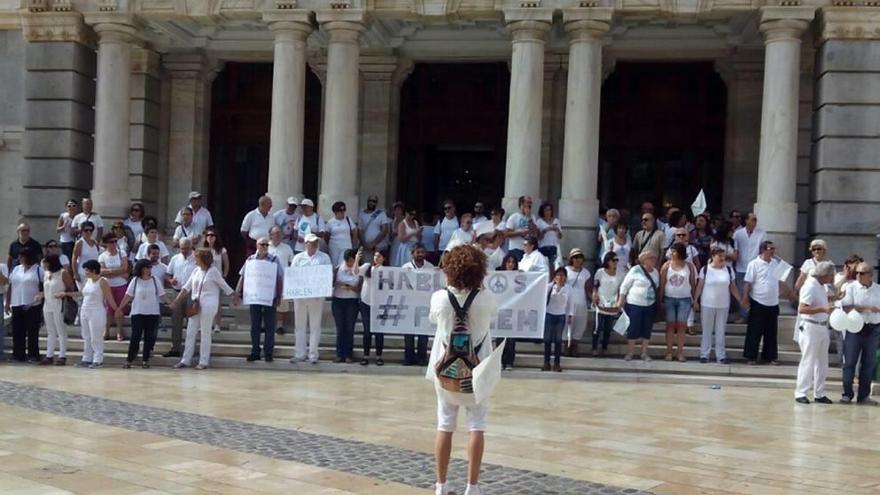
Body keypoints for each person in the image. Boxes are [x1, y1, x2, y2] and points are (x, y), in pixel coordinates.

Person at [428, 245, 497, 495]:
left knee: (445, 424)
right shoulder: (486, 298)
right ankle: (472, 486)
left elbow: (433, 319)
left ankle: (441, 484)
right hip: (478, 369)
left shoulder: (439, 298)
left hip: (445, 369)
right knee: (477, 424)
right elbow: (493, 315)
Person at [172, 249, 234, 370]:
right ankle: (186, 360)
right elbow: (186, 287)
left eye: (196, 257)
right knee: (190, 332)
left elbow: (224, 285)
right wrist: (177, 301)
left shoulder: (214, 271)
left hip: (209, 305)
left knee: (205, 333)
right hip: (196, 304)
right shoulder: (196, 271)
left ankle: (203, 361)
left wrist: (234, 296)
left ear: (203, 259)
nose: (194, 259)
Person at [742, 240, 796, 365]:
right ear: (763, 250)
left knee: (771, 332)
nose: (773, 251)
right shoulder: (754, 264)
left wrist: (790, 294)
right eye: (770, 248)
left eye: (773, 248)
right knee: (754, 330)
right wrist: (745, 297)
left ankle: (770, 356)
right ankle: (751, 356)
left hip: (773, 302)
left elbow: (780, 281)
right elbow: (748, 282)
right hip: (758, 300)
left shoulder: (775, 263)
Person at [234, 238, 283, 363]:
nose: (265, 246)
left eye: (267, 244)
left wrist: (280, 295)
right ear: (257, 245)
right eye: (262, 244)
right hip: (254, 297)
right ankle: (255, 351)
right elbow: (243, 276)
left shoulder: (274, 259)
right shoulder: (250, 260)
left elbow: (279, 278)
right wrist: (237, 292)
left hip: (269, 297)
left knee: (269, 326)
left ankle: (268, 353)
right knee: (255, 326)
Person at [794, 261, 836, 404]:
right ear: (824, 275)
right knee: (808, 361)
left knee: (822, 362)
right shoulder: (810, 286)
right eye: (831, 276)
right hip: (810, 327)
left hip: (822, 326)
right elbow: (802, 309)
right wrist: (823, 309)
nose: (832, 279)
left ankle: (820, 393)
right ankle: (801, 392)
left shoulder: (821, 285)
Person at [839, 262, 880, 405]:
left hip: (873, 328)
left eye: (861, 273)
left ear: (870, 275)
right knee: (849, 362)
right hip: (855, 328)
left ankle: (863, 396)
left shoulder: (878, 289)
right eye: (856, 272)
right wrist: (867, 308)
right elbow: (846, 306)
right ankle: (847, 394)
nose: (857, 275)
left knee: (868, 363)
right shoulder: (851, 287)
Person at [116, 259, 167, 369]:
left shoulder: (155, 280)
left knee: (149, 337)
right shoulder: (135, 280)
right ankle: (129, 359)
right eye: (147, 267)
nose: (149, 269)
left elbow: (162, 294)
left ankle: (145, 359)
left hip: (152, 312)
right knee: (135, 336)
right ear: (142, 268)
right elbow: (128, 295)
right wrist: (120, 308)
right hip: (137, 312)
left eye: (150, 267)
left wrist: (171, 303)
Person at [694, 247, 741, 364]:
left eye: (723, 256)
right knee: (707, 330)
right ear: (713, 256)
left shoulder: (729, 270)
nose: (722, 258)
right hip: (707, 303)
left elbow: (733, 287)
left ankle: (721, 355)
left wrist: (740, 300)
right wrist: (695, 300)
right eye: (719, 256)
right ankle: (704, 354)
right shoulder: (705, 269)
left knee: (720, 330)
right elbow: (700, 286)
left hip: (723, 304)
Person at [291, 233, 332, 364]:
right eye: (310, 242)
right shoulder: (298, 258)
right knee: (299, 326)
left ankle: (313, 355)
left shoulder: (324, 258)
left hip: (316, 297)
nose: (313, 244)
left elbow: (327, 276)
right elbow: (293, 276)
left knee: (315, 326)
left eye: (315, 242)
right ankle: (300, 354)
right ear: (305, 244)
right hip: (300, 296)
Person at [71, 259, 119, 368]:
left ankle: (98, 360)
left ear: (94, 270)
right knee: (86, 336)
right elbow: (82, 294)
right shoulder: (87, 281)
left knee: (95, 337)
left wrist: (117, 309)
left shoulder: (103, 281)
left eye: (87, 270)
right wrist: (67, 294)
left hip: (97, 311)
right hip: (84, 310)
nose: (85, 272)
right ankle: (86, 358)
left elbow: (109, 297)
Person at [618, 251, 660, 361]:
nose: (653, 260)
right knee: (633, 328)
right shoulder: (635, 270)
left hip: (650, 304)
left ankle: (644, 352)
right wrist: (621, 300)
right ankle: (630, 352)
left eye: (654, 258)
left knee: (647, 329)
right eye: (651, 258)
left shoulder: (655, 272)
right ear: (644, 260)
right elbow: (625, 285)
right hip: (634, 303)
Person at [659, 243, 696, 362]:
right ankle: (669, 352)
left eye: (674, 251)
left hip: (684, 299)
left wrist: (695, 300)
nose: (671, 254)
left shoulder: (689, 266)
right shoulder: (666, 266)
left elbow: (693, 284)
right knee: (670, 326)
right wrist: (660, 299)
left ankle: (680, 352)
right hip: (669, 298)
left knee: (681, 326)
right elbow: (662, 283)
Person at [6, 248, 43, 362]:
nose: (20, 258)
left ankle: (33, 355)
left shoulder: (38, 270)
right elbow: (10, 285)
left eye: (22, 256)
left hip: (32, 304)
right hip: (17, 303)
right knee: (17, 331)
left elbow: (44, 285)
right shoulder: (17, 269)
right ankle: (18, 355)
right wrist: (8, 302)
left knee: (32, 331)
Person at [162, 238, 197, 358]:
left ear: (191, 246)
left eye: (186, 248)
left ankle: (190, 349)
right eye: (182, 248)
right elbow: (167, 274)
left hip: (191, 293)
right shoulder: (175, 258)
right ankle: (175, 348)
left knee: (191, 323)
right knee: (176, 322)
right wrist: (171, 280)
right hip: (177, 292)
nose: (184, 251)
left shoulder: (197, 258)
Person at [402, 244, 435, 365]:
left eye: (422, 252)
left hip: (424, 303)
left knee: (423, 332)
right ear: (413, 253)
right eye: (418, 252)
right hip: (410, 303)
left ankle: (422, 357)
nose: (420, 254)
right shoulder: (405, 267)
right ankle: (408, 357)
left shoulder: (430, 267)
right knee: (408, 332)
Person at [39, 254, 73, 365]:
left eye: (46, 263)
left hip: (59, 304)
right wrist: (41, 295)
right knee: (50, 331)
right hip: (48, 304)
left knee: (61, 330)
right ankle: (49, 355)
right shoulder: (46, 274)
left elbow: (71, 288)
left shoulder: (63, 273)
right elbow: (45, 289)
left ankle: (62, 355)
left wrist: (64, 294)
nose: (44, 265)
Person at [733, 212, 766, 322]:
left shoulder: (762, 234)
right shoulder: (738, 234)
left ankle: (754, 316)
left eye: (756, 220)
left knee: (755, 292)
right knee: (742, 293)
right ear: (746, 220)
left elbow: (763, 249)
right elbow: (735, 249)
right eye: (753, 219)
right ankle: (743, 315)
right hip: (741, 267)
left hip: (756, 267)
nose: (755, 222)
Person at [592, 252, 625, 357]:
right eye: (613, 260)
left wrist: (620, 302)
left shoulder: (620, 274)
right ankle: (594, 348)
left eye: (617, 260)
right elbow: (595, 286)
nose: (615, 262)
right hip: (601, 301)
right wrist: (594, 296)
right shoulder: (600, 272)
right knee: (598, 327)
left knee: (608, 328)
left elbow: (621, 289)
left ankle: (604, 347)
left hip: (612, 302)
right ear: (607, 261)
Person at [98, 233, 130, 341]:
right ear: (106, 243)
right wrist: (117, 271)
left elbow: (124, 268)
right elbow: (101, 271)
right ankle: (106, 330)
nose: (114, 244)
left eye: (116, 241)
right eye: (112, 242)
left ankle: (119, 331)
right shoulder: (102, 256)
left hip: (121, 285)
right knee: (108, 309)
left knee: (119, 307)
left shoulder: (122, 253)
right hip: (108, 285)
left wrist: (110, 272)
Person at [331, 249, 361, 363]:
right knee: (340, 328)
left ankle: (348, 354)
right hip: (338, 300)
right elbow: (332, 283)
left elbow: (359, 287)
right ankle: (339, 354)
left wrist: (351, 287)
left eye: (352, 260)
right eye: (348, 261)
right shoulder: (338, 269)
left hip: (352, 301)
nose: (350, 263)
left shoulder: (358, 269)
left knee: (349, 328)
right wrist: (338, 283)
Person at [358, 249, 385, 366]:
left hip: (380, 303)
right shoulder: (367, 267)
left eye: (379, 256)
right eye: (375, 255)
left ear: (384, 258)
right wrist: (357, 260)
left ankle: (379, 356)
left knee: (379, 331)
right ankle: (366, 355)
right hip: (366, 302)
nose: (376, 258)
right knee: (367, 330)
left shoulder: (388, 271)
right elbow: (355, 272)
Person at [543, 267, 572, 372]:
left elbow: (570, 303)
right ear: (555, 277)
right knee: (547, 340)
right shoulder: (549, 287)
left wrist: (570, 315)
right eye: (558, 275)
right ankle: (546, 362)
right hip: (549, 314)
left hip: (561, 315)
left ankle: (557, 363)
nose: (560, 277)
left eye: (562, 275)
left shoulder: (569, 288)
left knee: (558, 340)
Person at [202, 227, 229, 334]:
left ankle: (217, 324)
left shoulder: (221, 250)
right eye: (208, 235)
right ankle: (204, 324)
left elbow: (226, 264)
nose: (210, 237)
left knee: (217, 303)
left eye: (212, 235)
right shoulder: (203, 250)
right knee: (203, 302)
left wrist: (224, 276)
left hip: (217, 280)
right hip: (205, 279)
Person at [564, 248, 591, 356]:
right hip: (568, 302)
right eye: (575, 257)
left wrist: (593, 298)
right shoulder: (565, 270)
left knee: (580, 325)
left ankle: (574, 347)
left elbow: (588, 288)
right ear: (571, 259)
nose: (577, 260)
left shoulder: (586, 273)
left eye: (579, 257)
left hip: (581, 302)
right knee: (566, 325)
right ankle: (566, 346)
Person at [268, 226, 294, 335]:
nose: (278, 235)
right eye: (276, 233)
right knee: (267, 303)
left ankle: (279, 325)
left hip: (282, 280)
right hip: (267, 280)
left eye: (280, 233)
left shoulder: (287, 248)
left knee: (281, 303)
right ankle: (267, 324)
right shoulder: (265, 246)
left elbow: (291, 264)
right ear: (270, 235)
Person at [498, 254, 519, 370]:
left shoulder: (519, 277)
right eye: (508, 262)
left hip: (514, 312)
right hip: (500, 311)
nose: (511, 264)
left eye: (513, 262)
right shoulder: (498, 275)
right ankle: (499, 361)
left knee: (511, 339)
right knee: (500, 339)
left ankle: (510, 362)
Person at [358, 194, 391, 263]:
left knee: (377, 267)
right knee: (366, 267)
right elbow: (360, 230)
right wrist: (365, 244)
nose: (371, 202)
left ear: (376, 203)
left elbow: (384, 230)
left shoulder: (381, 214)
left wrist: (373, 243)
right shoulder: (361, 214)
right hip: (366, 247)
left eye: (374, 201)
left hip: (378, 247)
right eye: (370, 201)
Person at [326, 201, 359, 268]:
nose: (342, 212)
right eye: (340, 211)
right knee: (334, 265)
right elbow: (326, 236)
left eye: (344, 210)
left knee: (343, 265)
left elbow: (354, 231)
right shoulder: (330, 222)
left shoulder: (348, 220)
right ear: (335, 212)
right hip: (334, 247)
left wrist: (353, 243)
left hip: (346, 246)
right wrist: (329, 245)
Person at [505, 196, 536, 261]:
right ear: (522, 204)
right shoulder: (514, 217)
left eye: (531, 203)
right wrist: (520, 233)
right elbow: (507, 233)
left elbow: (535, 232)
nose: (530, 204)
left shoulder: (532, 217)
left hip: (528, 249)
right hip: (516, 248)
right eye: (528, 202)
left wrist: (529, 217)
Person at [72, 221, 100, 289]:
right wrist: (75, 273)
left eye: (91, 230)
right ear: (82, 231)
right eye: (86, 230)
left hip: (94, 273)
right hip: (83, 273)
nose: (88, 232)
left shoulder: (95, 242)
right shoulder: (80, 243)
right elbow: (74, 258)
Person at [388, 201, 406, 266]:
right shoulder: (392, 221)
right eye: (395, 210)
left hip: (403, 244)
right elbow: (390, 237)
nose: (397, 212)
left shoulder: (405, 221)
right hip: (394, 244)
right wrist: (392, 235)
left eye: (399, 210)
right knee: (393, 261)